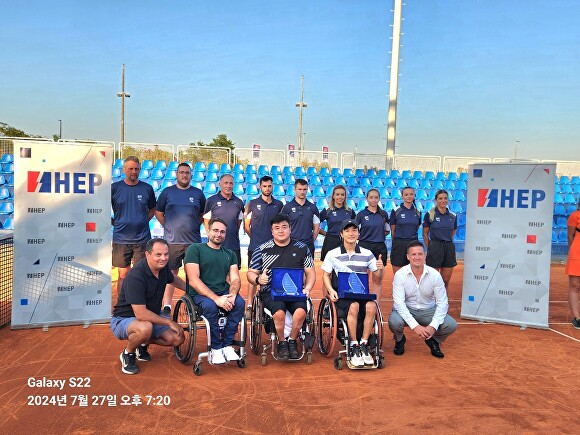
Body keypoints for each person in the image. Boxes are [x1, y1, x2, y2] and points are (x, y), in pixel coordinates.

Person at [110, 238, 186, 375]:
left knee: (177, 338)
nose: (163, 258)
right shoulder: (136, 275)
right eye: (158, 255)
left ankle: (142, 343)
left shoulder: (163, 269)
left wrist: (193, 290)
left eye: (166, 254)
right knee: (145, 327)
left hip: (150, 318)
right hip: (125, 319)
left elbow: (174, 279)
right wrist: (169, 321)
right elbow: (141, 314)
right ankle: (128, 353)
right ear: (147, 254)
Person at [247, 213, 316, 360]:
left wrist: (308, 288)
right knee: (279, 313)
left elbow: (310, 273)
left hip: (295, 292)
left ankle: (292, 340)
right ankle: (282, 342)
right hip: (270, 292)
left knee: (300, 312)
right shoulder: (262, 249)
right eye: (276, 228)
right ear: (272, 231)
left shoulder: (302, 248)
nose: (281, 230)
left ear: (290, 229)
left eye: (284, 227)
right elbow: (250, 273)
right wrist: (259, 279)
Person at [321, 219, 383, 367]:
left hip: (361, 294)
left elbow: (378, 277)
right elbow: (325, 275)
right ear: (341, 234)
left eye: (354, 230)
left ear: (358, 234)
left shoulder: (367, 254)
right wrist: (330, 291)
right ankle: (354, 345)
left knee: (372, 307)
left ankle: (364, 344)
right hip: (343, 295)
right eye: (347, 231)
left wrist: (380, 268)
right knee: (353, 306)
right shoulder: (332, 254)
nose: (351, 233)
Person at [184, 217, 245, 364]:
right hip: (199, 295)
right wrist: (216, 299)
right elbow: (193, 280)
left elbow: (235, 279)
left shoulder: (230, 254)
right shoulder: (195, 249)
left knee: (239, 302)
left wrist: (232, 295)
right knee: (210, 306)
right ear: (208, 231)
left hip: (223, 292)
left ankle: (227, 344)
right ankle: (216, 348)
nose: (219, 234)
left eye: (222, 232)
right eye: (215, 230)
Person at [388, 240, 457, 359]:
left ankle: (434, 340)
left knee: (451, 325)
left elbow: (442, 302)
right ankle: (399, 339)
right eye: (413, 254)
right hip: (407, 309)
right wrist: (415, 326)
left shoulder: (435, 275)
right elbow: (399, 303)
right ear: (408, 257)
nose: (417, 257)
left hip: (429, 310)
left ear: (425, 255)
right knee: (394, 322)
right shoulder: (400, 274)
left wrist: (433, 326)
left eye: (420, 254)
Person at [155, 162, 206, 315]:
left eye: (187, 173)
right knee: (171, 274)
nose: (184, 175)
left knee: (194, 275)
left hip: (193, 242)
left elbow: (203, 215)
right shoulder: (167, 192)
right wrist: (168, 226)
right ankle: (167, 306)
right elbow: (158, 212)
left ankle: (194, 304)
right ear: (176, 174)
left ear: (191, 175)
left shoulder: (198, 193)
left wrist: (194, 225)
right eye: (181, 172)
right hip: (172, 242)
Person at [111, 156, 156, 290]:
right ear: (124, 170)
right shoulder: (114, 188)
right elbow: (101, 208)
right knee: (123, 275)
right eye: (130, 168)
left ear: (140, 170)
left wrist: (141, 222)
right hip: (121, 239)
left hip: (142, 240)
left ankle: (139, 307)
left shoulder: (147, 188)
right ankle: (122, 308)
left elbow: (153, 209)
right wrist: (115, 222)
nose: (133, 171)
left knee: (140, 275)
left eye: (136, 169)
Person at [244, 175, 284, 314]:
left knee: (272, 277)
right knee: (253, 277)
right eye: (264, 186)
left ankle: (267, 306)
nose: (267, 188)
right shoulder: (252, 203)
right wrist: (255, 238)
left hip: (274, 249)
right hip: (255, 247)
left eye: (269, 186)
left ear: (272, 187)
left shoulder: (279, 205)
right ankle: (249, 305)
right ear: (260, 187)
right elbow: (246, 226)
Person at [203, 173, 245, 268]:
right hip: (215, 246)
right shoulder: (211, 200)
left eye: (231, 183)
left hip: (233, 245)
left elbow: (238, 223)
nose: (228, 186)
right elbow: (206, 221)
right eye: (225, 183)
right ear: (219, 184)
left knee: (233, 274)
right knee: (214, 273)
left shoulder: (239, 202)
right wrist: (211, 236)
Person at [356, 188, 389, 299]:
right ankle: (363, 305)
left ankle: (376, 306)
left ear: (379, 199)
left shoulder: (383, 214)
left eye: (376, 197)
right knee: (363, 277)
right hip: (364, 247)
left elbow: (387, 230)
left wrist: (377, 236)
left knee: (377, 278)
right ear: (367, 198)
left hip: (379, 247)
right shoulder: (361, 215)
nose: (373, 200)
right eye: (371, 197)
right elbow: (355, 231)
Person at [422, 189, 457, 290]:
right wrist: (431, 247)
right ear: (436, 200)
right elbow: (425, 234)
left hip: (449, 247)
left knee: (445, 280)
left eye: (445, 198)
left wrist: (446, 241)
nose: (443, 200)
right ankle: (431, 303)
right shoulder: (430, 214)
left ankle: (442, 303)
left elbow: (453, 231)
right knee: (433, 279)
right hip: (435, 247)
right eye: (440, 198)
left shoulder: (453, 215)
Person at [281, 178, 320, 257]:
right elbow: (282, 226)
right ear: (294, 189)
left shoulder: (313, 208)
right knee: (291, 269)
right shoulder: (287, 208)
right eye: (300, 189)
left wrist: (311, 241)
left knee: (308, 269)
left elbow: (316, 228)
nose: (302, 192)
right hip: (291, 245)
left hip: (308, 245)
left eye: (304, 189)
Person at [390, 186, 421, 275]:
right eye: (406, 194)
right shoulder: (396, 211)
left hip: (413, 244)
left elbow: (416, 227)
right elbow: (393, 230)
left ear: (414, 196)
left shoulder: (418, 212)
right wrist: (397, 243)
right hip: (399, 244)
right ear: (402, 196)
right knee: (398, 274)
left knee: (413, 274)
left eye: (411, 194)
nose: (409, 196)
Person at [319, 185, 356, 261]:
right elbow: (315, 225)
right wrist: (327, 234)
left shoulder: (350, 211)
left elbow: (356, 226)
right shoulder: (327, 210)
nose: (340, 197)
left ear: (345, 196)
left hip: (346, 242)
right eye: (337, 194)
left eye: (342, 195)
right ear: (333, 196)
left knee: (345, 268)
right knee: (328, 269)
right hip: (330, 242)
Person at [566, 198, 580, 328]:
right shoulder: (575, 216)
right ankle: (577, 318)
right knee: (575, 286)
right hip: (577, 253)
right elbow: (570, 236)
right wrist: (574, 251)